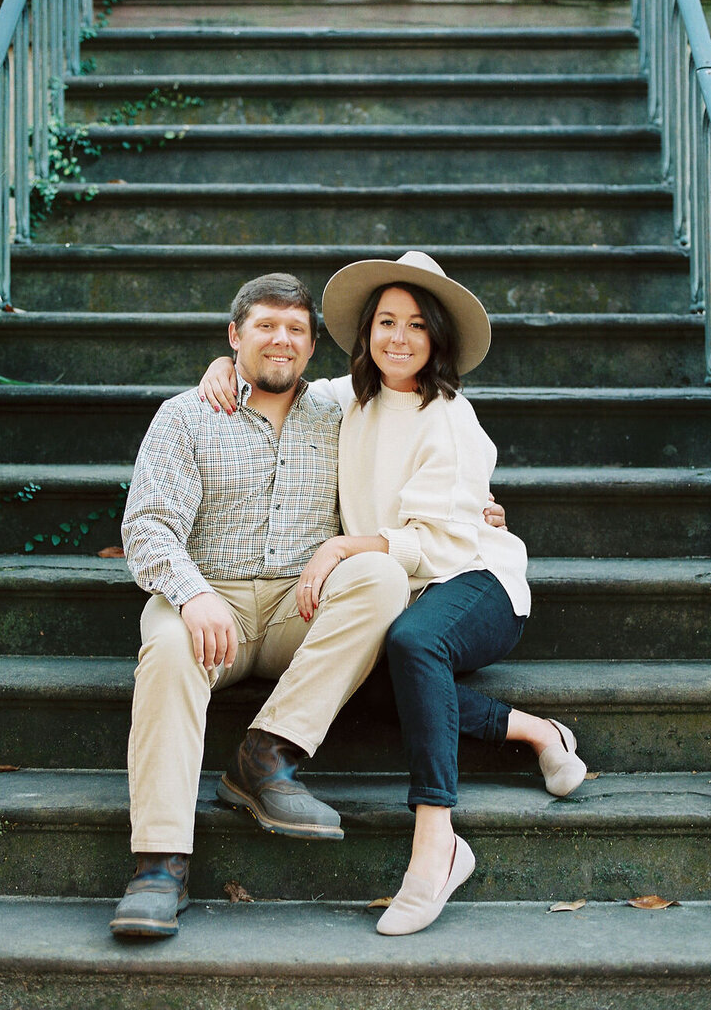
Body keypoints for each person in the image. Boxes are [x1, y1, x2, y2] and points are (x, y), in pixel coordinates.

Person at [200, 251, 587, 937]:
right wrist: (224, 368)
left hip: (473, 579)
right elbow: (276, 381)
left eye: (415, 324)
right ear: (366, 333)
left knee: (415, 642)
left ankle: (436, 844)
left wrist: (341, 545)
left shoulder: (450, 416)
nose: (399, 337)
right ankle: (534, 729)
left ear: (436, 335)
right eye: (386, 321)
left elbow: (437, 544)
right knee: (379, 680)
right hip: (394, 585)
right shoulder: (347, 399)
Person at [111, 272, 415, 939]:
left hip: (292, 609)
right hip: (203, 602)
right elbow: (148, 528)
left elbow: (409, 478)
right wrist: (193, 594)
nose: (281, 339)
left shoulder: (344, 417)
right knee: (163, 646)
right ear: (234, 336)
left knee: (382, 578)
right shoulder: (186, 413)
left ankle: (265, 754)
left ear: (312, 348)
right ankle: (159, 864)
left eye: (296, 330)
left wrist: (477, 511)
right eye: (265, 326)